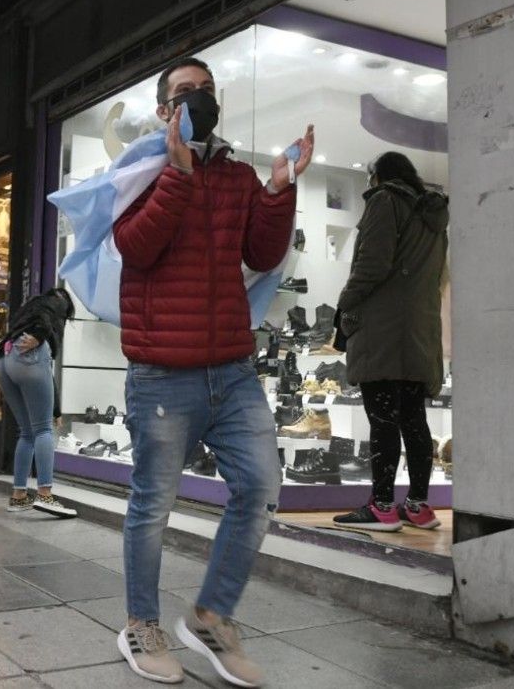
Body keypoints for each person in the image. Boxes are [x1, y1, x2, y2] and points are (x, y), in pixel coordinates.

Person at [112, 56, 314, 686]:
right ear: (163, 110)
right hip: (161, 373)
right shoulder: (142, 168)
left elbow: (260, 251)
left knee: (260, 486)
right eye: (184, 92)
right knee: (152, 505)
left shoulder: (235, 174)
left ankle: (211, 617)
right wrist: (177, 174)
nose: (199, 98)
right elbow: (135, 247)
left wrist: (279, 190)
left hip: (230, 370)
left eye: (206, 90)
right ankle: (141, 625)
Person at [332, 151, 449, 532]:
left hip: (382, 330)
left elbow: (373, 264)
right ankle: (417, 506)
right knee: (414, 420)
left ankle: (382, 505)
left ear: (379, 176)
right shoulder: (433, 218)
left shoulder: (385, 201)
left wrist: (344, 305)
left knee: (382, 418)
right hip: (419, 331)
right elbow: (438, 279)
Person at [0, 287, 77, 517]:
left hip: (4, 360)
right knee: (43, 431)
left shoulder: (29, 304)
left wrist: (56, 409)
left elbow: (46, 373)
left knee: (27, 432)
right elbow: (45, 319)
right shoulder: (56, 303)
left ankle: (18, 497)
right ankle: (45, 495)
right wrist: (40, 334)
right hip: (29, 356)